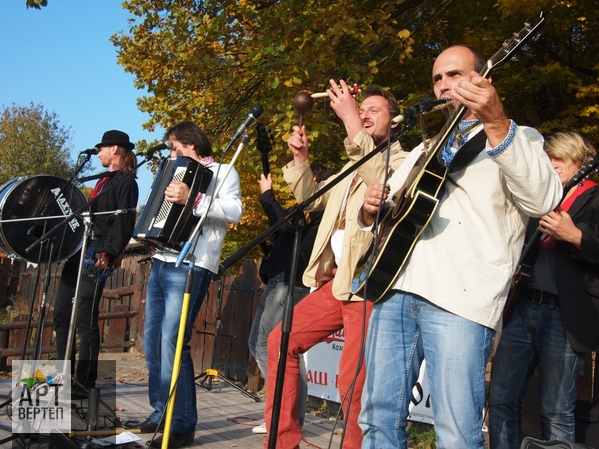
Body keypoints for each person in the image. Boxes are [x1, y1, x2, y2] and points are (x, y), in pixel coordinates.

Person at [357, 45, 563, 449]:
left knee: (455, 433)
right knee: (377, 418)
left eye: (454, 75)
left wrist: (497, 122)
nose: (444, 85)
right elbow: (389, 211)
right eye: (437, 79)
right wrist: (369, 211)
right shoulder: (424, 146)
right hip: (396, 288)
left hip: (461, 300)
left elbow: (543, 199)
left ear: (482, 79)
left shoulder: (518, 137)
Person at [263, 82, 409, 449]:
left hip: (371, 286)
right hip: (338, 284)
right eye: (362, 109)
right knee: (281, 342)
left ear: (395, 122)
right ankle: (280, 444)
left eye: (374, 109)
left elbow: (387, 183)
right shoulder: (352, 167)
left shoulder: (407, 161)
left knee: (353, 383)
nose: (364, 113)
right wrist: (300, 159)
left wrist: (349, 121)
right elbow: (310, 197)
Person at [488, 132, 599, 449]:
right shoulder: (542, 196)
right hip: (523, 306)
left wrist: (575, 236)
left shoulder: (595, 199)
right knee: (500, 399)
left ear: (577, 160)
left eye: (558, 160)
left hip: (565, 315)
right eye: (546, 160)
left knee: (556, 410)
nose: (551, 166)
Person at [141, 121, 242, 449]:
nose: (172, 154)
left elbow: (235, 211)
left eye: (175, 147)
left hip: (192, 265)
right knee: (152, 342)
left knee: (173, 341)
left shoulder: (224, 170)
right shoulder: (174, 171)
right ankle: (161, 411)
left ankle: (182, 423)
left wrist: (195, 199)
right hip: (161, 262)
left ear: (192, 143)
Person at [248, 163, 333, 435]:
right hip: (278, 280)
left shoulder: (322, 216)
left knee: (272, 346)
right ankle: (289, 413)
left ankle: (285, 415)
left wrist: (268, 196)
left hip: (290, 283)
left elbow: (294, 238)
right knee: (259, 343)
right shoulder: (308, 214)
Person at [54, 130, 139, 397]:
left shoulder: (126, 183)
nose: (98, 153)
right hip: (78, 250)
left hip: (97, 253)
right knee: (60, 315)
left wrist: (109, 254)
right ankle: (62, 376)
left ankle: (84, 382)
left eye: (102, 148)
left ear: (115, 149)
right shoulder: (104, 180)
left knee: (84, 317)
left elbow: (124, 222)